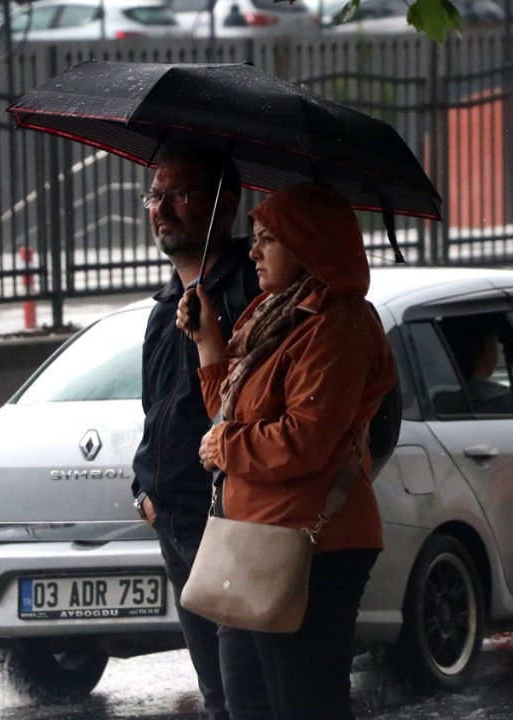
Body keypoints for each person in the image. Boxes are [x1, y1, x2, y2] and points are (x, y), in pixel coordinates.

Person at [176, 182, 396, 720]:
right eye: (254, 238)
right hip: (255, 541)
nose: (251, 252)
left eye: (268, 239)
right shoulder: (275, 317)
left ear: (309, 245)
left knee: (303, 704)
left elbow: (304, 441)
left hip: (310, 545)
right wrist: (209, 344)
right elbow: (231, 412)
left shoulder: (335, 326)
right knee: (246, 703)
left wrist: (224, 445)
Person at [130, 144, 262, 720]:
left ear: (224, 205)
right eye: (155, 196)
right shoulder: (163, 311)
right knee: (217, 697)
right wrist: (146, 493)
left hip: (229, 525)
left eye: (180, 194)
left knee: (245, 696)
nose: (163, 208)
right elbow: (156, 415)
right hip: (176, 526)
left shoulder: (249, 293)